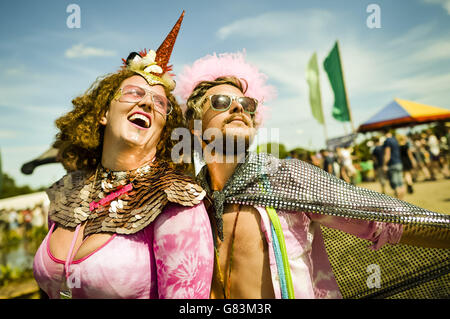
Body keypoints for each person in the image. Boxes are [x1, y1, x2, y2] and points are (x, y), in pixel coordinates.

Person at [175, 51, 450, 299]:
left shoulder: (285, 176)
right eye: (222, 101)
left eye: (247, 104)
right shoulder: (190, 202)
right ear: (195, 127)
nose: (239, 108)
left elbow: (385, 221)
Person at [33, 12, 214, 299]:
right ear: (104, 113)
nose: (146, 102)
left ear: (164, 128)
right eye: (133, 92)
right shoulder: (67, 192)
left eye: (159, 102)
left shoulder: (175, 199)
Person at [382, 129, 405, 199]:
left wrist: (384, 164)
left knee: (396, 185)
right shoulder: (395, 140)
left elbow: (387, 154)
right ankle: (403, 201)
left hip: (392, 164)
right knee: (401, 184)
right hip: (399, 163)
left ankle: (399, 203)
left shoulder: (387, 141)